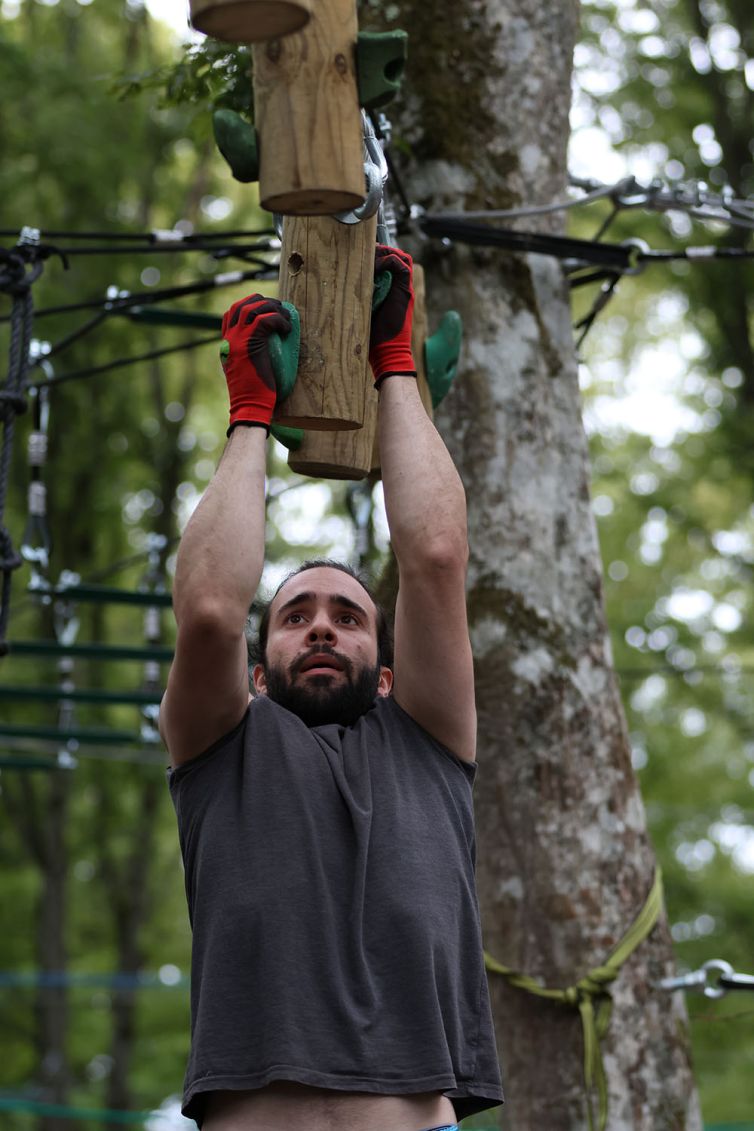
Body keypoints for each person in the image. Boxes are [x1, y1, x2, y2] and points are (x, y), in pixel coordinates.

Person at [160, 246, 504, 1131]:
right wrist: (250, 417)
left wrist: (396, 365)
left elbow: (433, 557)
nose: (321, 624)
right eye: (295, 614)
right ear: (259, 672)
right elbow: (206, 608)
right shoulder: (220, 747)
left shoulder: (427, 739)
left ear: (388, 674)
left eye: (349, 616)